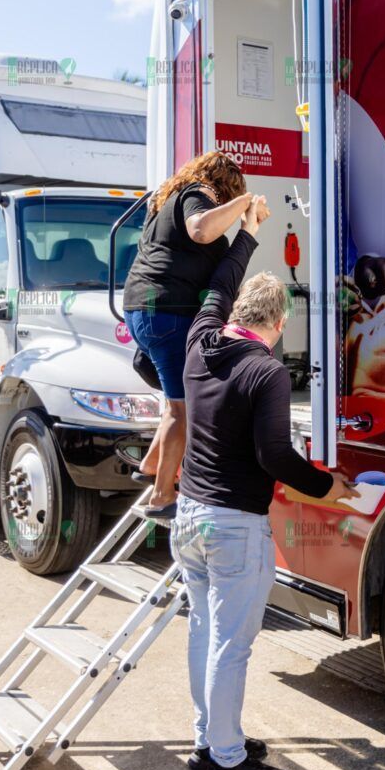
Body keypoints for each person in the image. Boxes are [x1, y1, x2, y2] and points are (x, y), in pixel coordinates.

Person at [171, 195, 357, 770]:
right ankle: (227, 763)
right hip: (231, 527)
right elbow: (274, 457)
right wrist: (329, 487)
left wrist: (246, 236)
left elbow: (216, 289)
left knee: (204, 631)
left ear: (235, 315)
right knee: (230, 645)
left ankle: (209, 741)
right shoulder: (267, 371)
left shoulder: (201, 343)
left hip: (188, 519)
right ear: (277, 325)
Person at [123, 151, 251, 516]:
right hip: (167, 313)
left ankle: (149, 466)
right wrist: (243, 205)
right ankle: (163, 496)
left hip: (142, 310)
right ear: (225, 187)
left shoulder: (167, 203)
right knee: (184, 410)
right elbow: (201, 228)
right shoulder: (200, 193)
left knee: (174, 402)